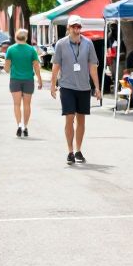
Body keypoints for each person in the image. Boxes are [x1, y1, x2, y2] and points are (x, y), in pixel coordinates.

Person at [50, 14, 102, 165]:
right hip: (67, 86)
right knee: (69, 117)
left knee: (81, 120)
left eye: (78, 26)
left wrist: (97, 87)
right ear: (68, 27)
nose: (76, 29)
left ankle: (78, 150)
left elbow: (93, 66)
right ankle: (70, 151)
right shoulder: (61, 44)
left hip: (84, 87)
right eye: (73, 26)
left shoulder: (88, 44)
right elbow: (55, 66)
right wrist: (53, 85)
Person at [4, 28, 43, 137]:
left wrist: (9, 67)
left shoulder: (11, 49)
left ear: (16, 37)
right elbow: (36, 66)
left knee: (16, 104)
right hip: (28, 80)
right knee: (27, 104)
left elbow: (6, 68)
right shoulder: (31, 50)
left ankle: (19, 125)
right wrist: (39, 80)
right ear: (26, 37)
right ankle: (25, 126)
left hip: (15, 79)